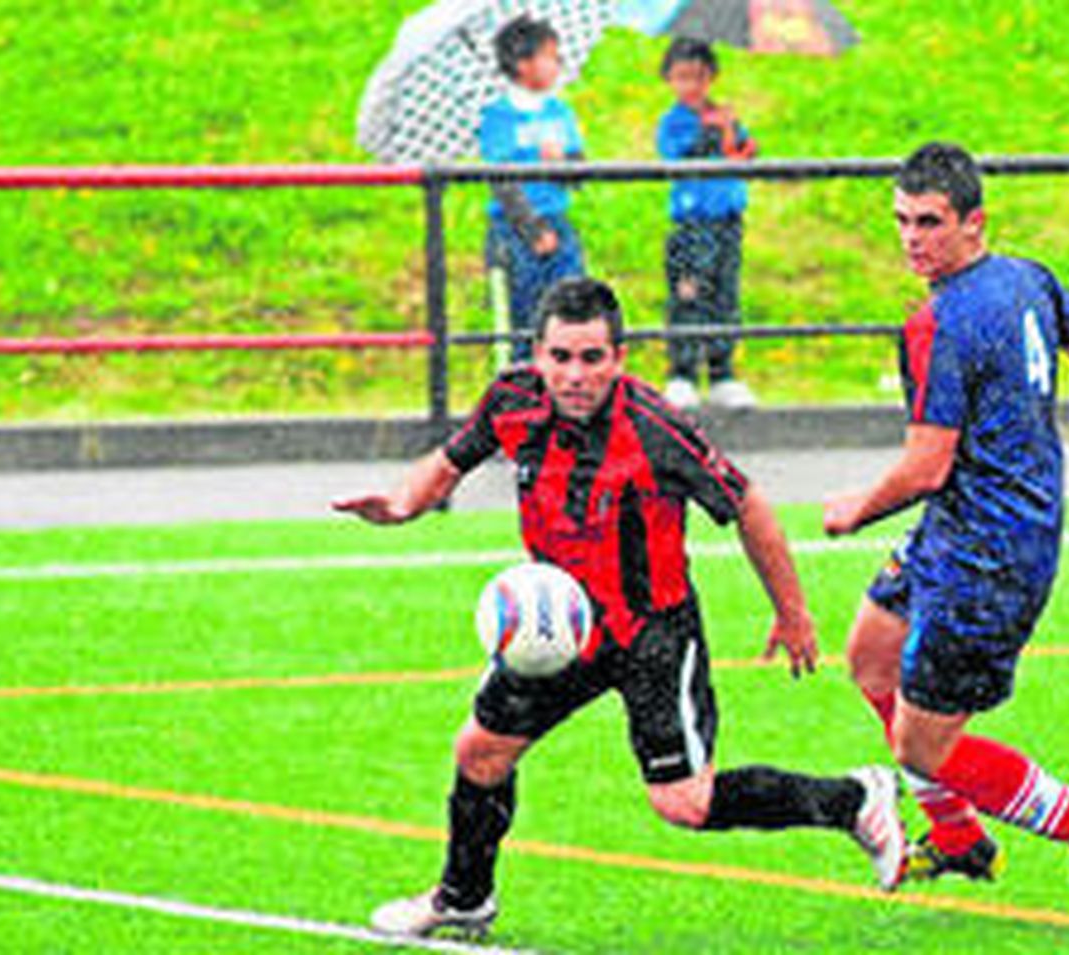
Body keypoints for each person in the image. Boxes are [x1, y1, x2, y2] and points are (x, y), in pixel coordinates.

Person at [335, 276, 906, 941]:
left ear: (620, 359)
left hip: (652, 634)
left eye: (592, 358)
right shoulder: (513, 399)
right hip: (560, 628)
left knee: (683, 803)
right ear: (537, 354)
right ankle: (463, 898)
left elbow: (747, 504)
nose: (575, 375)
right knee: (480, 752)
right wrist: (403, 503)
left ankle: (856, 799)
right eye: (561, 357)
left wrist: (793, 611)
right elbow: (451, 459)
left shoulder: (656, 428)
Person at [823, 143, 1069, 928]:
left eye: (929, 222)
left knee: (920, 749)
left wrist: (852, 509)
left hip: (989, 554)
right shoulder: (1026, 279)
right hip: (959, 533)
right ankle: (959, 836)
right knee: (870, 654)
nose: (912, 238)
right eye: (902, 221)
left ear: (974, 223)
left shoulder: (940, 321)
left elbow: (927, 463)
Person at [655, 39, 759, 411]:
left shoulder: (724, 113)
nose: (691, 86)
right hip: (691, 222)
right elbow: (679, 155)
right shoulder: (674, 121)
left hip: (726, 220)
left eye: (699, 77)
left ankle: (722, 371)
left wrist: (731, 130)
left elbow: (747, 152)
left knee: (724, 295)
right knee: (688, 294)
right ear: (669, 79)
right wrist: (709, 130)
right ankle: (681, 372)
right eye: (682, 77)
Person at [480, 15, 586, 364]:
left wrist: (564, 161)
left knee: (572, 308)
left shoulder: (560, 110)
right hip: (517, 227)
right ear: (522, 64)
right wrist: (532, 228)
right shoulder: (498, 116)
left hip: (558, 216)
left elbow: (580, 173)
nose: (558, 64)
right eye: (549, 56)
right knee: (525, 309)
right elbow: (501, 179)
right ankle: (525, 383)